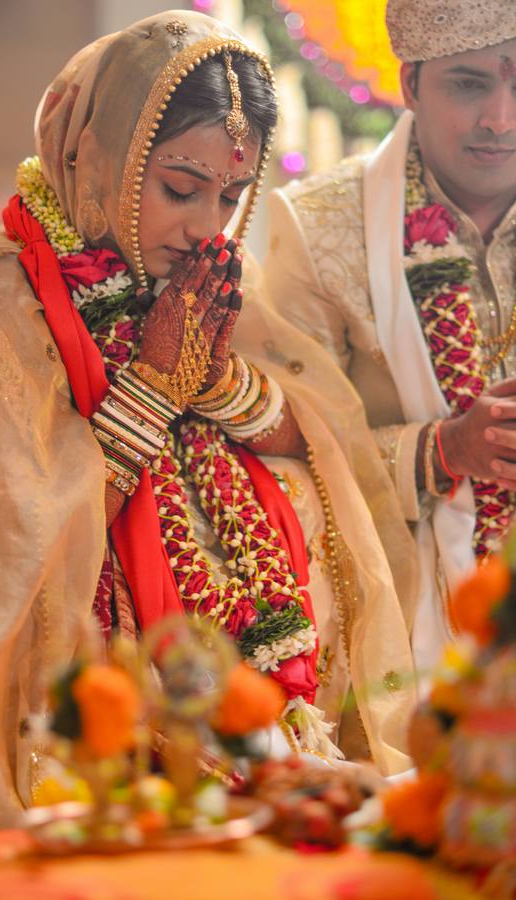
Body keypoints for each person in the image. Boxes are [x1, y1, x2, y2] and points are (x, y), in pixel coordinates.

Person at [0, 11, 417, 833]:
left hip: (253, 726)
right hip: (69, 749)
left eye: (230, 196)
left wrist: (213, 381)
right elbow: (19, 567)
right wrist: (151, 388)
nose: (205, 227)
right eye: (181, 189)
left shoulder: (205, 288)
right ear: (96, 156)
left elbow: (323, 440)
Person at [263, 0, 516, 676]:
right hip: (396, 636)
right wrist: (444, 450)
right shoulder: (318, 229)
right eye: (469, 83)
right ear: (410, 83)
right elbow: (280, 461)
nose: (501, 119)